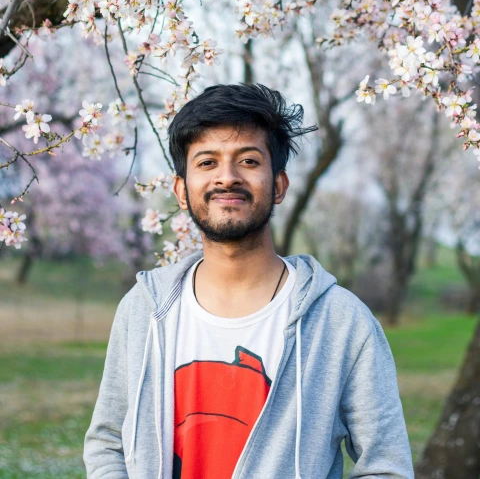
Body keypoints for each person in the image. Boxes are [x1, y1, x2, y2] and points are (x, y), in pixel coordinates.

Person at [84, 83, 414, 479]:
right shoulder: (144, 309)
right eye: (207, 162)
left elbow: (386, 466)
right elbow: (108, 442)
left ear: (278, 185)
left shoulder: (342, 322)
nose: (227, 177)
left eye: (249, 161)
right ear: (182, 191)